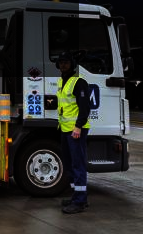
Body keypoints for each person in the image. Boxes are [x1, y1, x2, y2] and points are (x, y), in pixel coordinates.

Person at [56, 51, 92, 214]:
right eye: (61, 62)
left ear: (72, 65)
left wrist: (78, 127)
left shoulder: (79, 82)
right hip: (65, 129)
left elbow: (85, 108)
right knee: (69, 164)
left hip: (76, 130)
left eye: (66, 62)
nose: (63, 65)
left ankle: (80, 201)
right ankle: (76, 195)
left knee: (78, 164)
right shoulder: (61, 81)